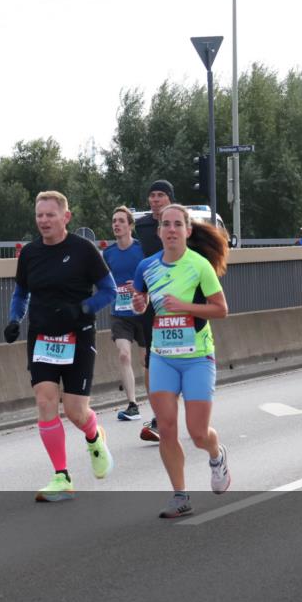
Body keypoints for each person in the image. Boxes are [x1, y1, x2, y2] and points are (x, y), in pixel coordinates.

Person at [4, 191, 116, 502]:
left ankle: (94, 436)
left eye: (50, 215)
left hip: (77, 336)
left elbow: (110, 292)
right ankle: (62, 477)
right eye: (39, 215)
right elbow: (20, 293)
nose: (43, 221)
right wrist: (15, 319)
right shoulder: (29, 254)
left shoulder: (83, 250)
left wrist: (83, 308)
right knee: (44, 401)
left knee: (76, 411)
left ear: (65, 217)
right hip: (42, 337)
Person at [130, 204, 231, 518]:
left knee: (198, 432)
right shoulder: (145, 267)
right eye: (166, 224)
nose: (171, 229)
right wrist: (138, 303)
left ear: (188, 231)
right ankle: (180, 495)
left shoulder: (199, 266)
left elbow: (221, 309)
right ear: (159, 231)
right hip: (162, 357)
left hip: (198, 358)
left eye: (177, 224)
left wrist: (184, 306)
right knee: (168, 428)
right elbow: (139, 303)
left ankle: (216, 455)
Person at [131, 180, 175, 442]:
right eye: (152, 196)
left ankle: (178, 408)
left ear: (170, 199)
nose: (155, 199)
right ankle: (160, 416)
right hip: (150, 298)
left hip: (178, 297)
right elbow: (140, 259)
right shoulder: (144, 225)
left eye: (161, 195)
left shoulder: (181, 223)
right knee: (152, 355)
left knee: (178, 354)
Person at [102, 206, 147, 422]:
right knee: (123, 355)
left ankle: (159, 404)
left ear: (130, 225)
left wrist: (139, 287)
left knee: (146, 360)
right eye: (114, 221)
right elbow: (102, 280)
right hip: (120, 313)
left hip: (142, 311)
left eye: (121, 221)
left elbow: (153, 274)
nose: (116, 224)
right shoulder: (108, 253)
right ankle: (132, 405)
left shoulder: (141, 249)